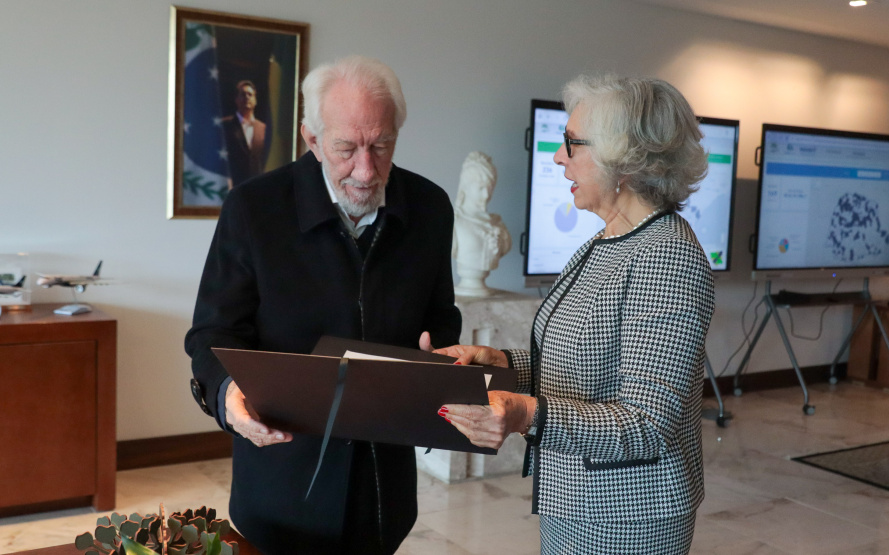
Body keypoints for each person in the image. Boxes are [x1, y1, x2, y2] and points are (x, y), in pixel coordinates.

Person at [186, 56, 462, 554]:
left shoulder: (430, 207)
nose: (366, 169)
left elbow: (441, 314)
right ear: (311, 139)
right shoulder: (254, 209)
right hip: (281, 481)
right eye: (346, 148)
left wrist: (438, 358)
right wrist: (228, 395)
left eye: (382, 146)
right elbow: (211, 332)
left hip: (384, 483)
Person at [435, 74, 715, 554]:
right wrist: (496, 362)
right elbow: (576, 365)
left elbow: (648, 422)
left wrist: (525, 413)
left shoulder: (668, 257)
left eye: (571, 143)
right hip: (574, 497)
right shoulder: (603, 242)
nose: (558, 157)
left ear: (623, 158)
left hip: (627, 513)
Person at [452, 151, 512, 296]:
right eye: (480, 188)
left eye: (489, 188)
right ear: (465, 187)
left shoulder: (498, 226)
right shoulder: (454, 224)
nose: (486, 195)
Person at [222, 80, 266, 187]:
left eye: (250, 94)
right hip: (232, 186)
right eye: (242, 94)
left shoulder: (264, 128)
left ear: (255, 100)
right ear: (236, 99)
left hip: (257, 187)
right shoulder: (225, 125)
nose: (246, 97)